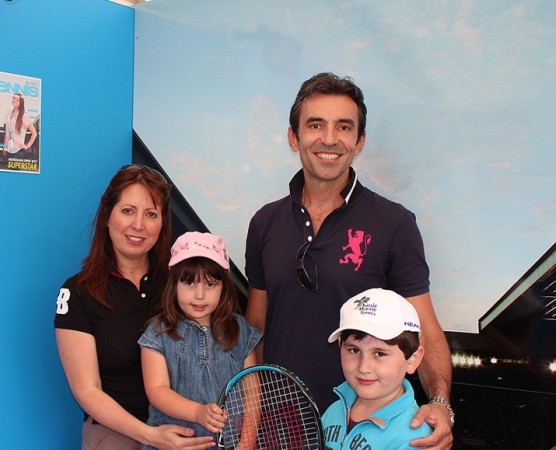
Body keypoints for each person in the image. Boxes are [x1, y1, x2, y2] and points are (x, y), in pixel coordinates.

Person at [244, 72, 453, 449]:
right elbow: (253, 331)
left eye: (344, 127)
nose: (329, 139)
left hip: (362, 432)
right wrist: (250, 426)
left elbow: (426, 330)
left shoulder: (395, 223)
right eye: (315, 125)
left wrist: (440, 403)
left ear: (359, 142)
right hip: (278, 429)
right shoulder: (264, 223)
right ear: (294, 137)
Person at [54, 165, 215, 450]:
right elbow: (87, 390)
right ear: (107, 216)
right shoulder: (77, 292)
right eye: (128, 211)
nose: (138, 225)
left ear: (163, 223)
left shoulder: (181, 284)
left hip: (187, 432)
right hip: (117, 434)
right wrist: (150, 436)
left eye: (151, 214)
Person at [139, 231, 262, 449]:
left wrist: (248, 442)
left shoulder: (241, 331)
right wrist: (197, 412)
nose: (199, 295)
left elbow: (252, 394)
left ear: (223, 287)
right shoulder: (158, 332)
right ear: (173, 284)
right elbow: (156, 390)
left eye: (210, 284)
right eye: (189, 283)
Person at [322, 288, 433, 449]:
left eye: (380, 353)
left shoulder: (415, 438)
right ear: (340, 345)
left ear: (412, 360)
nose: (364, 367)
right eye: (354, 350)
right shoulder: (335, 409)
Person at [3, 92, 37, 159]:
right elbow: (7, 132)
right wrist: (5, 147)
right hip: (9, 150)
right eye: (14, 98)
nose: (15, 100)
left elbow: (34, 133)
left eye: (17, 100)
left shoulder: (24, 116)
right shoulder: (9, 114)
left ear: (21, 103)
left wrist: (27, 146)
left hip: (19, 152)